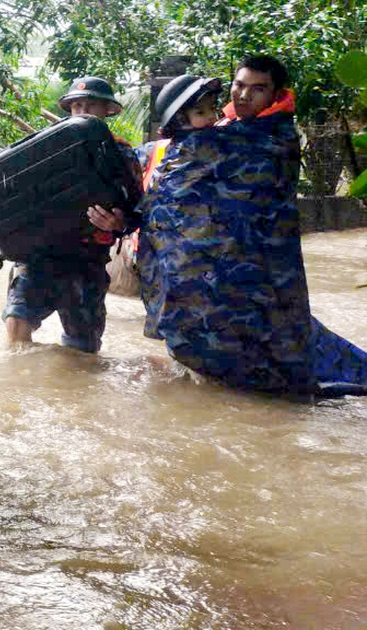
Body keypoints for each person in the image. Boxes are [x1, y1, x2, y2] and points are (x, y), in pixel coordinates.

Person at [135, 55, 367, 396]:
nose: (244, 95)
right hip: (212, 277)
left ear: (275, 95)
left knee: (264, 351)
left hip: (256, 268)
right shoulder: (220, 131)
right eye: (239, 85)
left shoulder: (271, 139)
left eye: (258, 89)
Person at [2, 76, 141, 353]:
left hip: (87, 262)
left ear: (107, 110)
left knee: (83, 352)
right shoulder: (46, 145)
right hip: (39, 255)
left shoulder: (122, 153)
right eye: (77, 106)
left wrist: (118, 223)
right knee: (16, 327)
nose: (83, 112)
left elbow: (137, 211)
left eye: (91, 105)